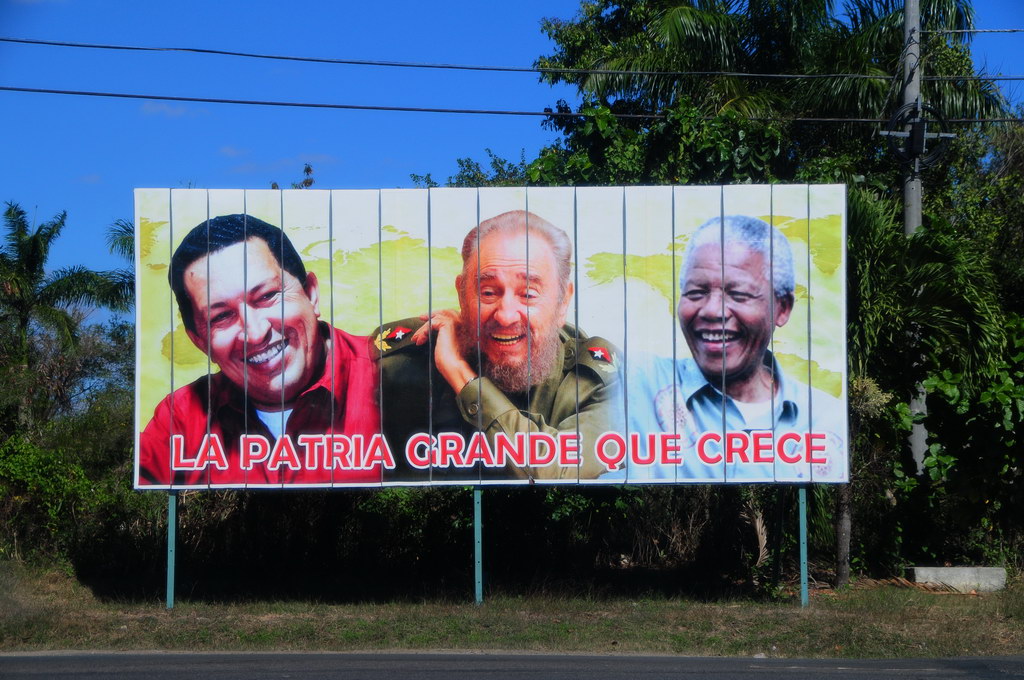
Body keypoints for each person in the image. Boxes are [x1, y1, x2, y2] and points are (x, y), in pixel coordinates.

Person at [375, 210, 621, 481]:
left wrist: (461, 375)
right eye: (488, 293)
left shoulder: (598, 380)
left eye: (527, 294)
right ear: (462, 294)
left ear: (563, 301)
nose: (505, 315)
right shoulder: (403, 360)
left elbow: (554, 471)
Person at [138, 214, 382, 486]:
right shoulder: (180, 420)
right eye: (221, 317)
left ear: (311, 293)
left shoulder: (400, 375)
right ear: (199, 341)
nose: (255, 333)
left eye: (267, 296)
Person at [612, 215, 845, 482]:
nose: (712, 310)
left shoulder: (826, 419)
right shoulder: (635, 385)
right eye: (696, 292)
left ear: (782, 308)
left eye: (739, 294)